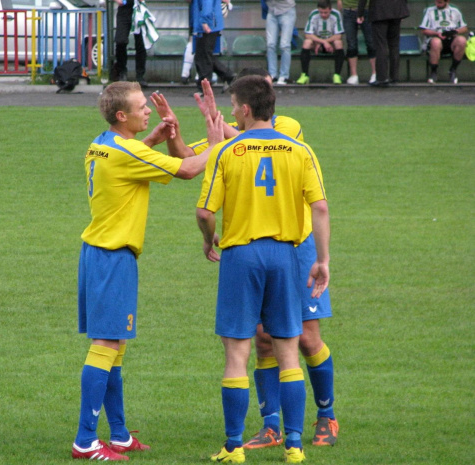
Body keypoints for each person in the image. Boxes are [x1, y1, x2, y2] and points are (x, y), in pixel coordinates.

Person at [72, 81, 223, 461]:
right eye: (141, 107)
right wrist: (222, 144)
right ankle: (85, 440)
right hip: (112, 258)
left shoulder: (102, 143)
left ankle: (119, 435)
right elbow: (188, 169)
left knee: (115, 347)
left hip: (99, 253)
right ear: (122, 115)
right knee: (106, 344)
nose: (148, 112)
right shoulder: (125, 153)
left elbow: (128, 161)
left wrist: (152, 140)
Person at [196, 75, 330, 464]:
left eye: (234, 105)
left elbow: (205, 211)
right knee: (289, 350)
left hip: (242, 256)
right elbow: (320, 207)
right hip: (287, 256)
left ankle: (234, 447)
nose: (233, 111)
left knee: (238, 352)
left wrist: (210, 237)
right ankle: (294, 446)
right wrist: (321, 260)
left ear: (246, 109)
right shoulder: (300, 150)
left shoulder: (227, 151)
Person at [357, 0, 409, 87]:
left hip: (379, 11)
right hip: (397, 10)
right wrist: (402, 9)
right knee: (394, 45)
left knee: (381, 45)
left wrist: (360, 13)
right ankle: (394, 76)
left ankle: (382, 78)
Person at [419, 0, 469, 84]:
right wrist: (436, 33)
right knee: (436, 42)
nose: (437, 4)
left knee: (462, 40)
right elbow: (424, 30)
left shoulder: (455, 10)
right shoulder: (429, 10)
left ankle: (453, 70)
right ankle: (434, 72)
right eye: (436, 2)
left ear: (447, 1)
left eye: (440, 2)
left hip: (451, 39)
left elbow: (464, 28)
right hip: (435, 37)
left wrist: (455, 32)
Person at [191, 0, 235, 95]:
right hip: (210, 24)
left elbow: (207, 4)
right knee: (205, 56)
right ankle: (228, 76)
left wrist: (204, 22)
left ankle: (205, 88)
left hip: (208, 25)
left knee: (203, 57)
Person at [296, 0, 345, 85]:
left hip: (330, 45)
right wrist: (321, 42)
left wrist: (326, 42)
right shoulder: (313, 14)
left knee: (338, 43)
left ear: (330, 9)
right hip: (316, 44)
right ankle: (304, 75)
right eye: (321, 12)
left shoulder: (336, 14)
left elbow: (339, 35)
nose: (323, 15)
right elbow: (307, 34)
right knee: (307, 42)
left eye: (325, 12)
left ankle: (337, 75)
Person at [337, 0, 376, 84]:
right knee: (351, 43)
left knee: (371, 42)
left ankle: (375, 73)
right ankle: (354, 75)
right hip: (349, 10)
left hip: (366, 9)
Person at [111, 0, 149, 88]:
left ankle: (140, 76)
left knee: (141, 43)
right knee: (120, 41)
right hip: (124, 10)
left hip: (138, 9)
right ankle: (122, 72)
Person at [261, 0, 297, 85]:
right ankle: (272, 75)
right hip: (272, 11)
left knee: (284, 45)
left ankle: (284, 76)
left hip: (287, 11)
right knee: (270, 44)